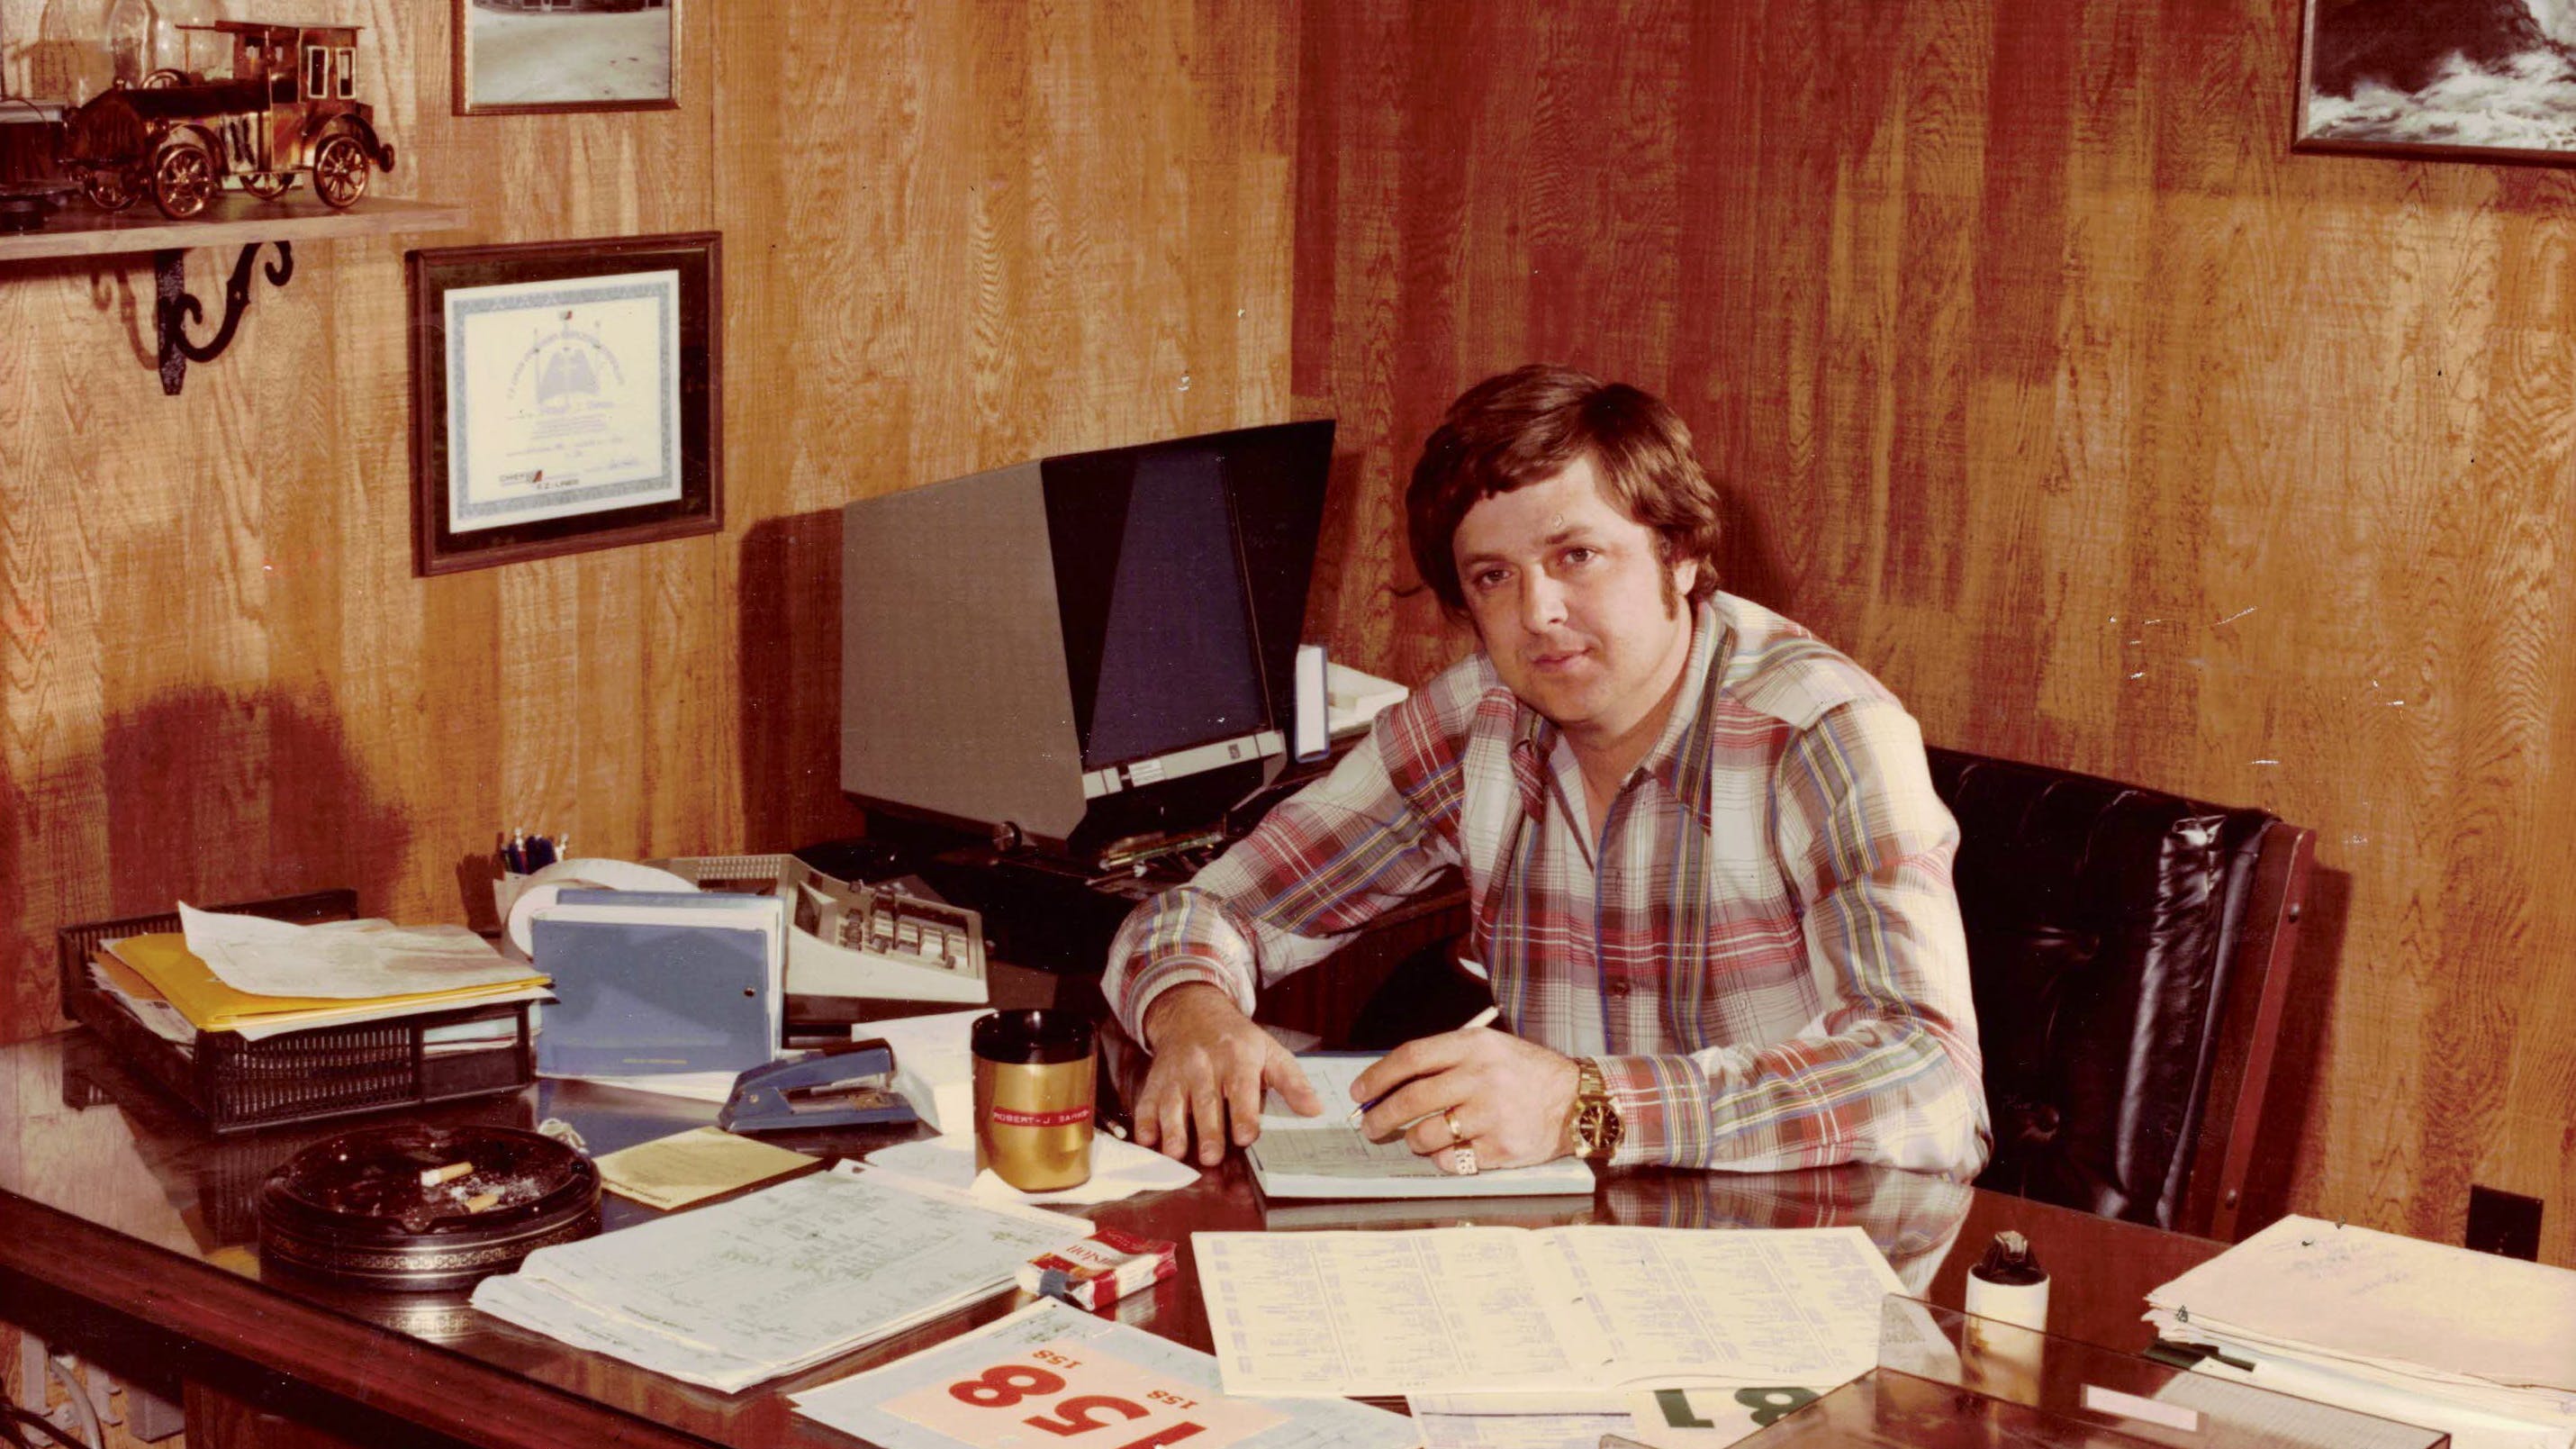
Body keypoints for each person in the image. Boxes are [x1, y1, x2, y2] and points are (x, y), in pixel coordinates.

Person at [1104, 364, 1989, 1181]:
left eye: (1575, 555)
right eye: (1492, 576)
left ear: (1676, 555)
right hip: (1576, 1236)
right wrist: (1191, 1009)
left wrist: (1588, 1106)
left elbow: (1926, 1080)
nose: (1539, 612)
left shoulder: (1817, 730)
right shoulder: (1476, 716)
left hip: (1803, 1241)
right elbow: (1207, 910)